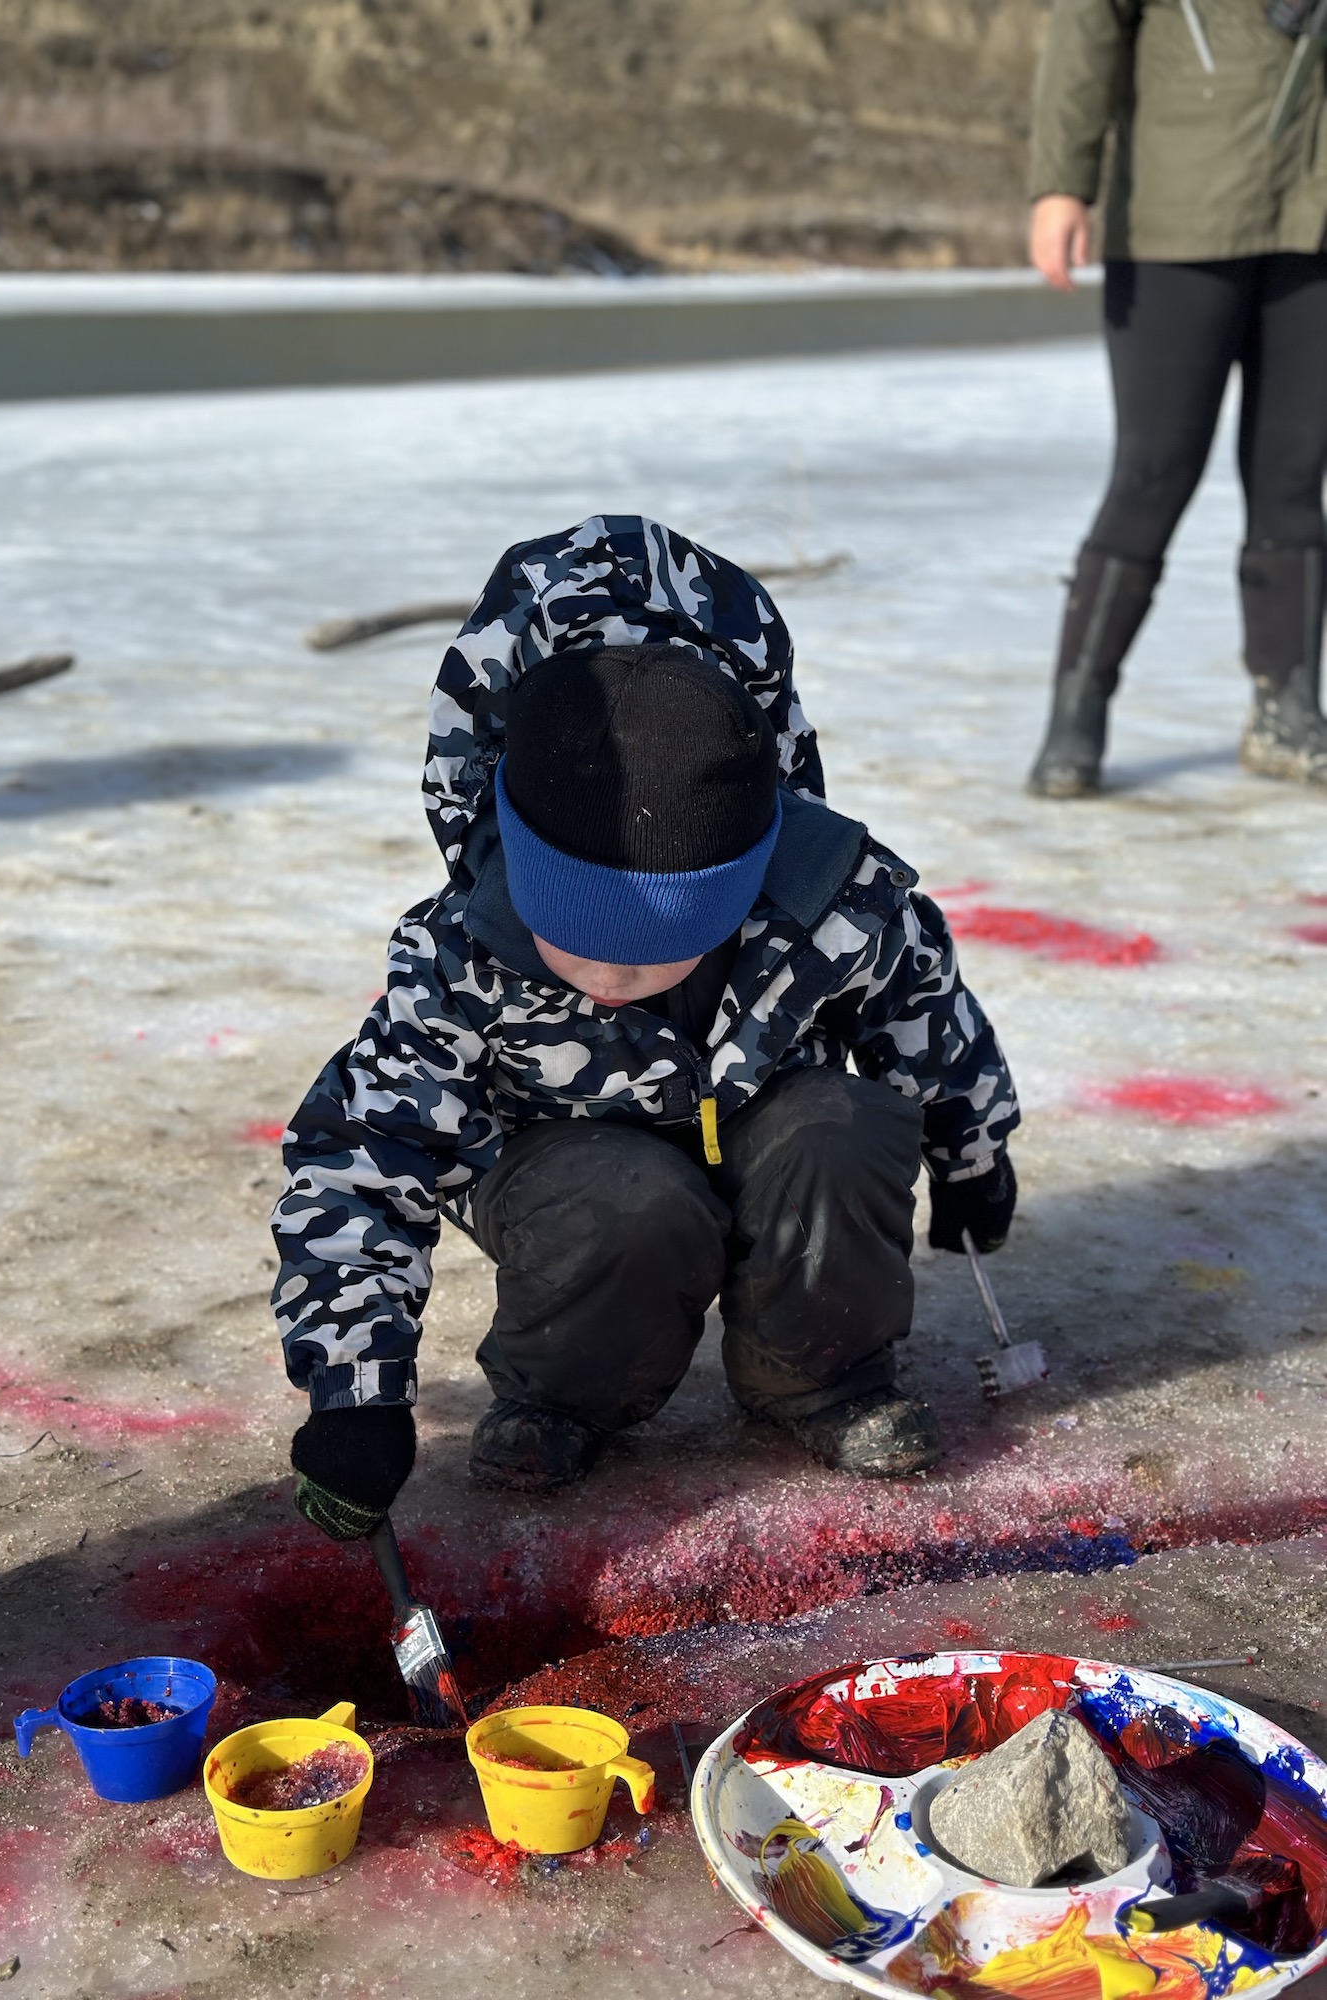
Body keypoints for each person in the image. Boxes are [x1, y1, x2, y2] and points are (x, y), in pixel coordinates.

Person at [272, 517, 1019, 1543]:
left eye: (657, 947)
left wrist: (973, 1156)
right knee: (625, 1193)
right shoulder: (462, 953)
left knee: (841, 1125)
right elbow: (363, 1161)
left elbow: (926, 1018)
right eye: (574, 941)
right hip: (567, 1168)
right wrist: (355, 1397)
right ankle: (567, 1394)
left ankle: (821, 1374)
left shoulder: (831, 899)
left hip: (766, 1134)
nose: (612, 980)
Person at [1026, 0, 1327, 796]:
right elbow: (1088, 22)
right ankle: (1076, 715)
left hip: (1318, 218)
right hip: (1183, 210)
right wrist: (1061, 182)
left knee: (1296, 472)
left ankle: (1289, 710)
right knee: (1153, 471)